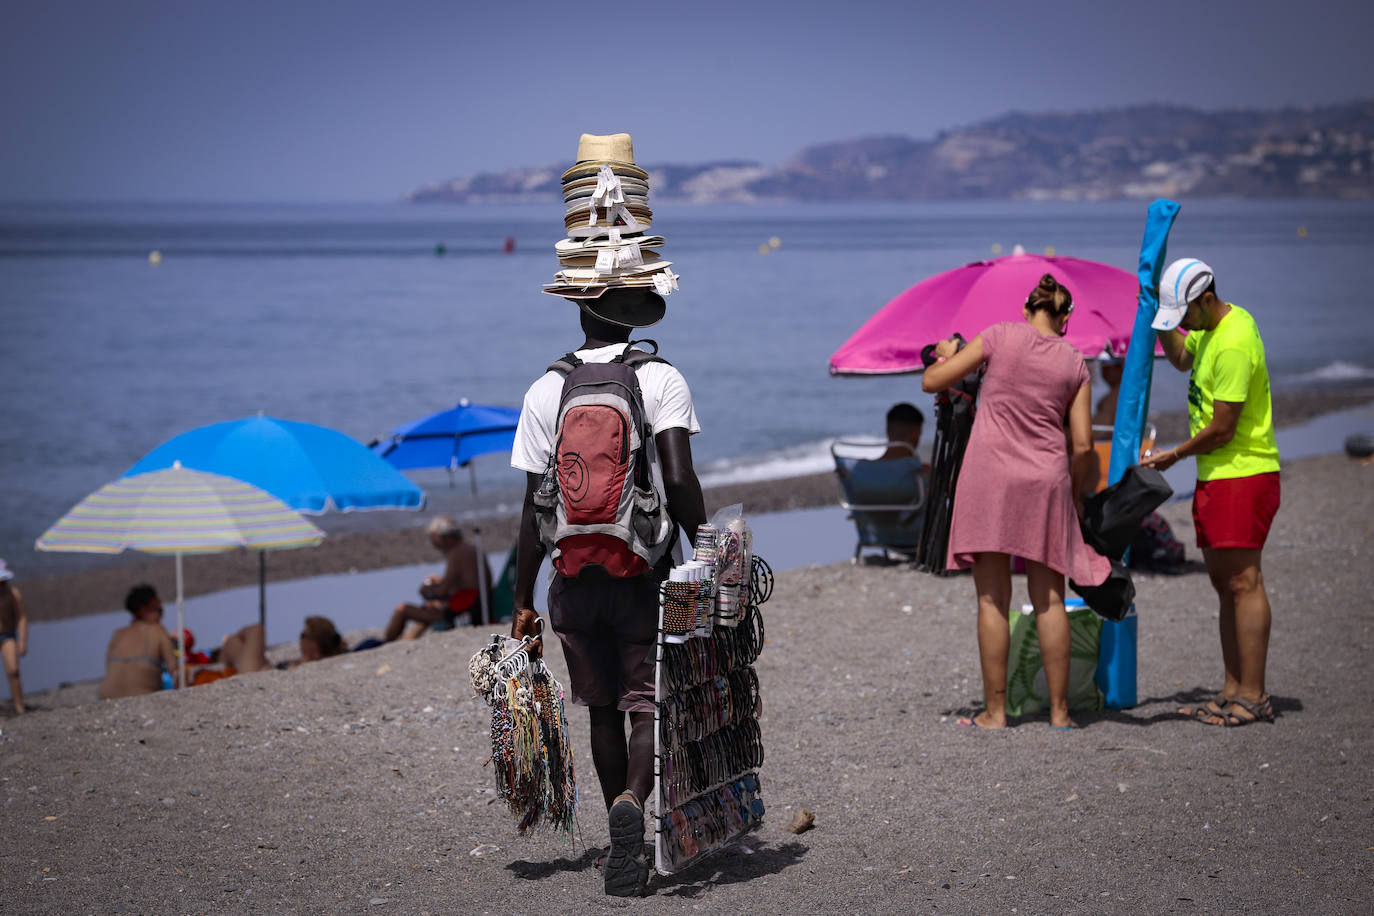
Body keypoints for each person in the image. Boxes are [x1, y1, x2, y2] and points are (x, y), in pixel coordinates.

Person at [510, 286, 706, 897]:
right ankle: (634, 807)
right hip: (642, 571)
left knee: (600, 708)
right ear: (638, 316)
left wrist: (520, 597)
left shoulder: (546, 389)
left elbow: (531, 506)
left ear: (580, 313)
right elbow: (677, 477)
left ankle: (620, 821)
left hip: (571, 576)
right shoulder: (660, 378)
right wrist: (705, 551)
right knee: (646, 702)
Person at [923, 273, 1110, 730]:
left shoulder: (1000, 335)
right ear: (1065, 319)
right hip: (1045, 482)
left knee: (992, 599)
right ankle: (1061, 713)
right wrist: (1079, 497)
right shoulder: (1075, 362)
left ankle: (996, 712)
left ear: (1028, 310)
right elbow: (1083, 445)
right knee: (1050, 600)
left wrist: (951, 355)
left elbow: (933, 381)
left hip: (988, 477)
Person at [1141, 258, 1280, 727]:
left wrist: (1173, 456)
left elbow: (1223, 427)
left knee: (1245, 582)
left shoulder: (1235, 340)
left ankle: (1255, 695)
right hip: (1217, 475)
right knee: (1224, 585)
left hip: (1244, 472)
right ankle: (1232, 687)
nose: (1182, 324)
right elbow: (1182, 358)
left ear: (1207, 299)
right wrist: (1159, 318)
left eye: (1184, 315)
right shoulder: (1206, 328)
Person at [385, 516, 490, 640]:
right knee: (431, 607)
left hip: (466, 609)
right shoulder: (471, 548)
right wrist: (439, 582)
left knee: (402, 609)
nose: (433, 543)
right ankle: (407, 640)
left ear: (446, 537)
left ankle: (387, 641)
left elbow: (443, 591)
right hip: (480, 603)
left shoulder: (456, 553)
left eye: (434, 538)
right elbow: (463, 582)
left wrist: (427, 589)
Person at [99, 584, 179, 699]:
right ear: (144, 608)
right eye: (158, 608)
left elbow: (109, 668)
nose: (161, 612)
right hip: (141, 695)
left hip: (105, 696)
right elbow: (174, 670)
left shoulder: (118, 634)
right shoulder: (158, 631)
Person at [0, 560, 29, 714]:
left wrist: (22, 640)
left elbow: (21, 617)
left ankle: (19, 705)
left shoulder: (12, 593)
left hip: (7, 635)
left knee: (13, 670)